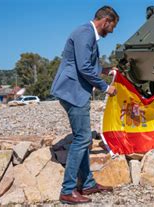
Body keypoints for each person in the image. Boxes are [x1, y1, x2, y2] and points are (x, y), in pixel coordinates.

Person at [50, 6, 119, 204]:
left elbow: (88, 63)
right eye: (112, 26)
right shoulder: (85, 33)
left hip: (74, 91)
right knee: (82, 139)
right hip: (72, 92)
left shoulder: (87, 34)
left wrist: (104, 69)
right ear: (105, 21)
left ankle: (87, 184)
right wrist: (106, 88)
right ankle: (67, 190)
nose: (112, 31)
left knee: (82, 138)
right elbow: (84, 67)